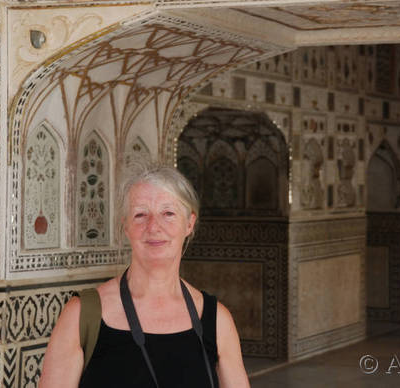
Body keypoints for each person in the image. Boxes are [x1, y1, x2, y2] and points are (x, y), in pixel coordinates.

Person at [39, 165, 249, 388]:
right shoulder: (82, 315)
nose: (154, 226)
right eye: (140, 215)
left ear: (189, 224)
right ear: (126, 227)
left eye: (168, 213)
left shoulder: (217, 320)